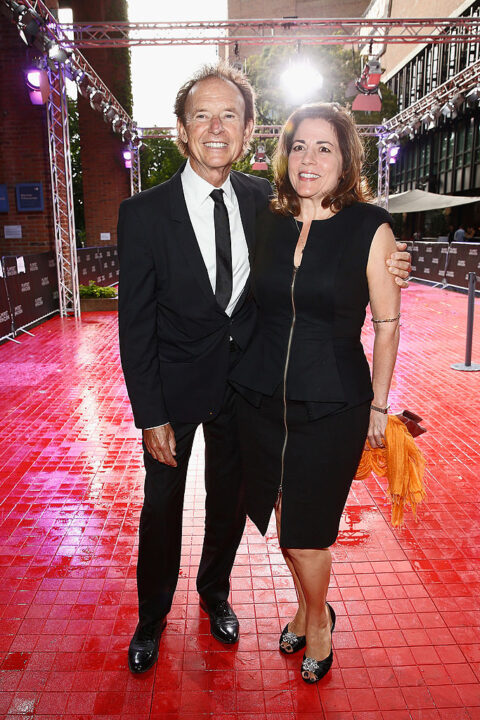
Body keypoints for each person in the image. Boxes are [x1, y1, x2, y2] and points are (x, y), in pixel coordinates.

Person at [117, 64, 411, 675]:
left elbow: (338, 240)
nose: (216, 127)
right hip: (173, 390)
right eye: (202, 114)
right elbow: (135, 324)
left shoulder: (265, 202)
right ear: (180, 130)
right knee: (162, 504)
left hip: (245, 388)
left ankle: (215, 594)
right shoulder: (143, 213)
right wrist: (149, 415)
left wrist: (390, 261)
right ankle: (151, 618)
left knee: (229, 501)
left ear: (249, 131)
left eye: (230, 116)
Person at [230, 102, 401, 683]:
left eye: (324, 148)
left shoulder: (370, 226)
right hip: (261, 399)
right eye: (300, 146)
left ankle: (321, 623)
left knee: (309, 531)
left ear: (346, 159)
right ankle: (306, 609)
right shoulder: (266, 218)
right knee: (283, 519)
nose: (309, 159)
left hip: (333, 403)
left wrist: (380, 403)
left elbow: (386, 322)